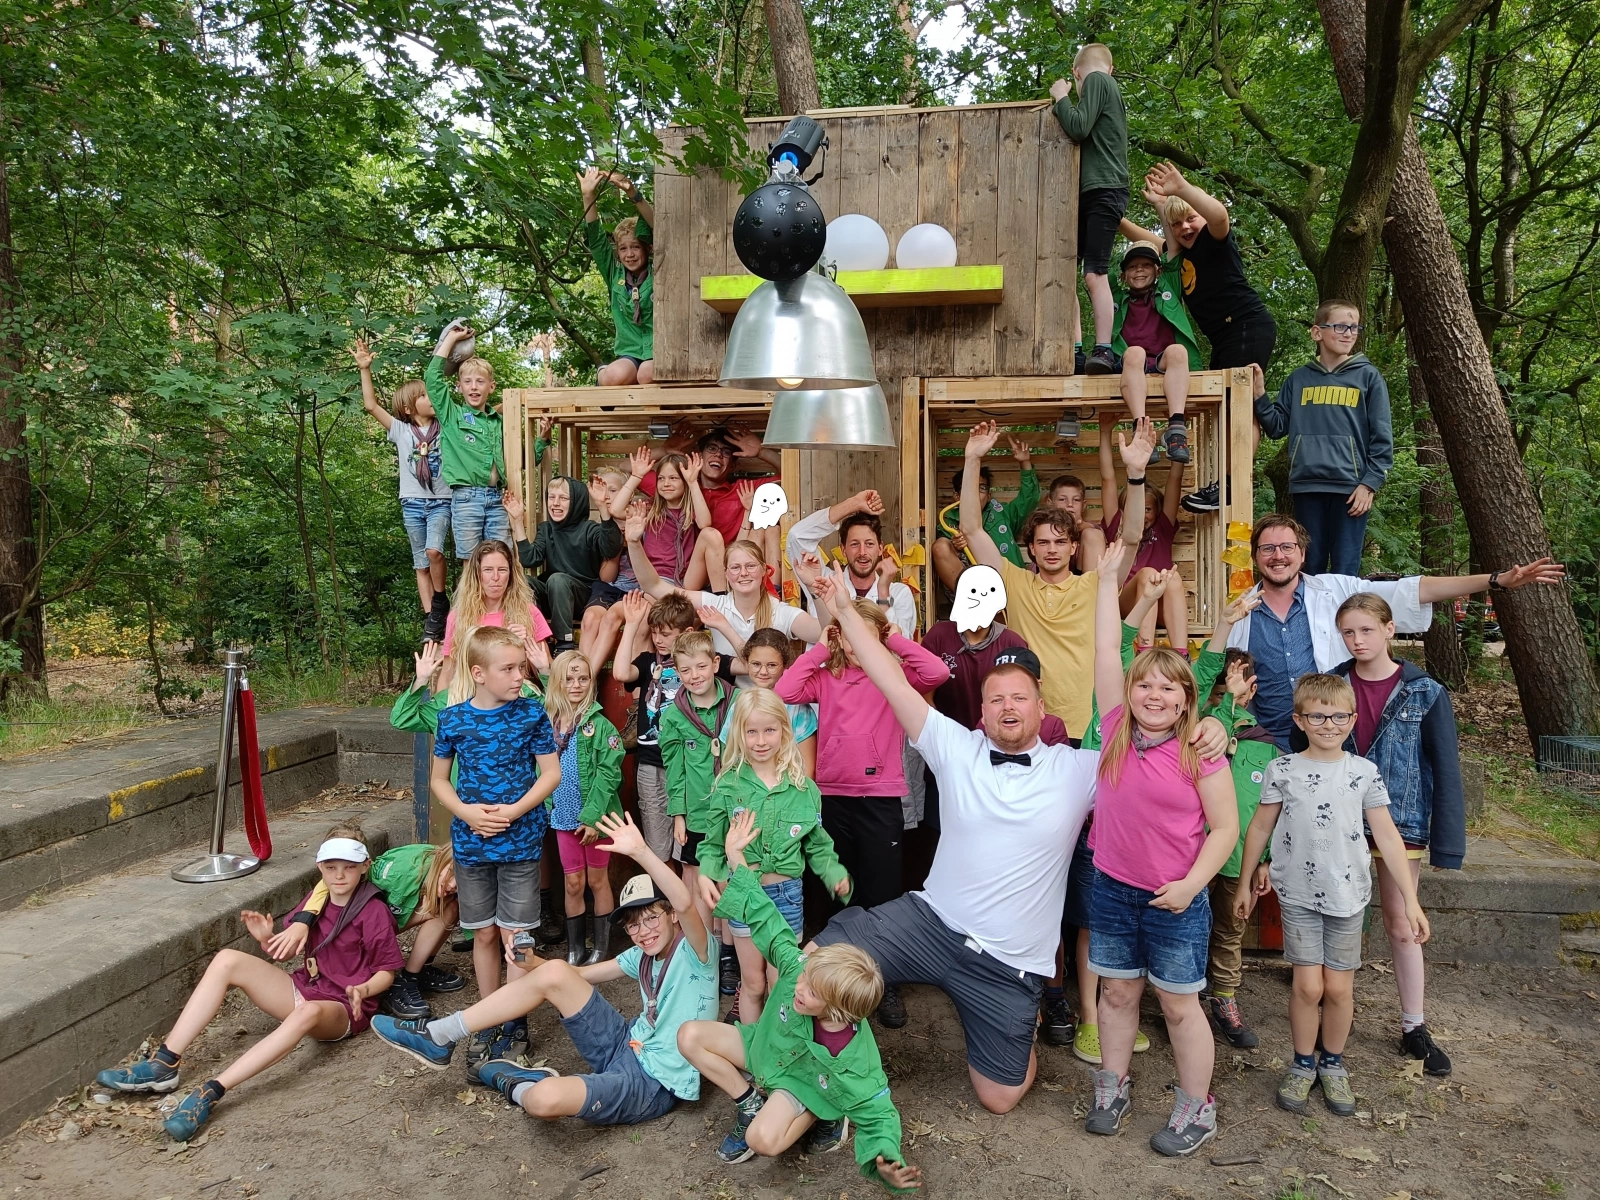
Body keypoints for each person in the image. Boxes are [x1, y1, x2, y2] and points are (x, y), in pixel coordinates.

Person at [803, 566, 1231, 1114]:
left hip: (1009, 962)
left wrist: (1215, 729)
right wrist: (842, 608)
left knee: (1001, 1097)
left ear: (1042, 708)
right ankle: (791, 1068)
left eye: (1020, 698)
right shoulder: (955, 748)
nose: (1008, 706)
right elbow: (890, 677)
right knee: (817, 959)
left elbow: (1154, 743)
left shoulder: (1083, 769)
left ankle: (1007, 1022)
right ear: (980, 713)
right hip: (933, 923)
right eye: (996, 699)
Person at [372, 811, 718, 1123]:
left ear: (670, 914)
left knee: (542, 1101)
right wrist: (533, 962)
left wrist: (641, 852)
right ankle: (439, 1035)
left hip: (649, 1082)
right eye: (633, 925)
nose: (644, 932)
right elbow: (574, 977)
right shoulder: (639, 956)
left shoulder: (696, 951)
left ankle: (515, 1082)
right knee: (554, 972)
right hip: (626, 1043)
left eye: (651, 918)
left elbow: (686, 901)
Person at [1083, 539, 1238, 1156]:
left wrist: (1192, 886)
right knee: (1116, 993)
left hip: (1177, 896)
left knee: (1178, 1006)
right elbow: (1104, 649)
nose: (1154, 697)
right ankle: (1112, 1086)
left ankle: (1198, 1107)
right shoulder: (1116, 727)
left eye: (1167, 691)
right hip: (1113, 887)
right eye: (1144, 685)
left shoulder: (1201, 752)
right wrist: (1105, 583)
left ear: (1185, 699)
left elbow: (1224, 830)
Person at [94, 831, 403, 1141]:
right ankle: (165, 1063)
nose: (339, 875)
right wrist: (266, 939)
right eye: (331, 866)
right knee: (228, 958)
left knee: (305, 1013)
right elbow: (287, 952)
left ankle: (212, 1091)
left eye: (348, 867)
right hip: (308, 987)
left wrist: (363, 989)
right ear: (319, 867)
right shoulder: (316, 899)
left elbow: (387, 971)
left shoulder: (372, 910)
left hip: (343, 1008)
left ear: (365, 866)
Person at [680, 811, 922, 1189]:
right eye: (804, 976)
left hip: (804, 1082)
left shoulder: (855, 1059)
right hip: (764, 1049)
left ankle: (823, 1109)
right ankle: (748, 1102)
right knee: (689, 1036)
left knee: (763, 1141)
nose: (798, 985)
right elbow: (767, 920)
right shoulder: (801, 971)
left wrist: (887, 1161)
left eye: (810, 991)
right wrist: (736, 859)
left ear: (838, 1010)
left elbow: (878, 1113)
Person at [1234, 673, 1430, 1117]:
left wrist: (1411, 900)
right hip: (1298, 893)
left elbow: (1387, 835)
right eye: (1317, 716)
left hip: (1348, 894)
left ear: (1352, 719)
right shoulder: (1283, 770)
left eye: (1338, 716)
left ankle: (1333, 1063)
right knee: (1307, 985)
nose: (1328, 723)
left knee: (1339, 988)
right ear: (1299, 719)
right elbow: (1261, 826)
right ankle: (1303, 1063)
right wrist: (1246, 880)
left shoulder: (1363, 773)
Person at [1226, 512, 1567, 748]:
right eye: (1268, 548)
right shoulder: (1239, 611)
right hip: (1267, 744)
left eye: (1287, 547)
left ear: (1301, 554)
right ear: (1256, 556)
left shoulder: (1335, 591)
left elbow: (1414, 590)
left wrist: (1496, 581)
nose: (1278, 556)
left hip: (1334, 739)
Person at [775, 598, 950, 1028]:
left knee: (883, 892)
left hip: (880, 796)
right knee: (839, 889)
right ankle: (836, 980)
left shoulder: (892, 674)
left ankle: (884, 980)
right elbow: (785, 691)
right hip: (834, 796)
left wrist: (890, 638)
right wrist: (822, 646)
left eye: (864, 636)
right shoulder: (829, 674)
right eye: (849, 636)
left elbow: (937, 673)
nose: (856, 645)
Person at [1327, 592, 1466, 1075]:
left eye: (1367, 629)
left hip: (1400, 819)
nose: (1357, 640)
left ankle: (1414, 1026)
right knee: (1334, 915)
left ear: (1390, 629)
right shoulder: (1333, 685)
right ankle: (1328, 1006)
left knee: (1401, 922)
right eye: (1348, 632)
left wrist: (1447, 843)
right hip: (1338, 820)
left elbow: (1445, 768)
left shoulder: (1424, 691)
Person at [959, 419, 1153, 738]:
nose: (1052, 550)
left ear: (1073, 547)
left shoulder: (1096, 584)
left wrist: (1135, 474)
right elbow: (972, 530)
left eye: (1061, 542)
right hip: (1034, 727)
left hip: (1088, 727)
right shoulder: (1014, 581)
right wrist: (972, 460)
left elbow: (1131, 538)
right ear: (1031, 549)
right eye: (1044, 542)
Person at [431, 625, 562, 1070]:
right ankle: (488, 1017)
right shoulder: (453, 719)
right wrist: (468, 814)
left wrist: (513, 811)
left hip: (521, 842)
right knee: (483, 932)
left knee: (516, 935)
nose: (518, 675)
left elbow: (550, 774)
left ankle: (515, 1019)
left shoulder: (531, 713)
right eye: (508, 668)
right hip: (471, 845)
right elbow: (438, 781)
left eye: (521, 667)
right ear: (478, 673)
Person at [696, 688, 852, 1024]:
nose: (761, 740)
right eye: (751, 731)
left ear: (785, 730)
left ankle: (779, 1051)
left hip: (786, 895)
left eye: (769, 730)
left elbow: (817, 843)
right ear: (740, 734)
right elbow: (712, 843)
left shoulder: (803, 788)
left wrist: (833, 872)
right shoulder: (728, 785)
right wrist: (706, 873)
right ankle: (753, 1057)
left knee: (780, 981)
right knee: (752, 983)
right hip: (745, 893)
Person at [1251, 306, 1393, 575]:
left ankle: (1344, 618)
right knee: (1309, 566)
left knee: (1345, 569)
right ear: (1317, 332)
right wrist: (1260, 394)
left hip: (1352, 489)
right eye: (1340, 326)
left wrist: (1370, 483)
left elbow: (1382, 435)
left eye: (1354, 328)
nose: (1349, 333)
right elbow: (1277, 426)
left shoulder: (1368, 376)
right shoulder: (1299, 378)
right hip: (1307, 485)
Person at [277, 825, 463, 1021]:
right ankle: (403, 982)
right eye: (450, 872)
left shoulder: (435, 869)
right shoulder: (399, 874)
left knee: (447, 907)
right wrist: (304, 919)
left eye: (462, 880)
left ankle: (419, 971)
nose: (452, 884)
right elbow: (379, 926)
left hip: (375, 921)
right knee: (438, 909)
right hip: (360, 926)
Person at [1122, 162, 1278, 374]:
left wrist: (1182, 189)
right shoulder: (1183, 253)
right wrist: (1114, 218)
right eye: (1176, 224)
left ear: (1203, 217)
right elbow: (1147, 241)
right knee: (1223, 401)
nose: (1184, 226)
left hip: (1246, 326)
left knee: (1237, 395)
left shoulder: (1213, 240)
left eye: (1191, 218)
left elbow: (1220, 216)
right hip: (1221, 337)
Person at [614, 591, 730, 860]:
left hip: (692, 765)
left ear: (686, 632)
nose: (658, 639)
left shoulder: (702, 662)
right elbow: (621, 673)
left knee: (687, 846)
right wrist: (631, 625)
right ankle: (667, 900)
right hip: (652, 761)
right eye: (654, 632)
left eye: (665, 633)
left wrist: (723, 626)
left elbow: (748, 664)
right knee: (658, 845)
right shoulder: (647, 661)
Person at [353, 338, 452, 641]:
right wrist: (365, 369)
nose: (430, 396)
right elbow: (370, 405)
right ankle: (431, 621)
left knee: (434, 551)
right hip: (411, 502)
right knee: (420, 563)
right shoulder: (400, 430)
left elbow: (476, 414)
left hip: (440, 501)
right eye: (424, 395)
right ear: (409, 408)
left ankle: (439, 601)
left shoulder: (446, 425)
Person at [659, 628, 740, 985]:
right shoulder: (674, 716)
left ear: (716, 664)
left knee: (730, 882)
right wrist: (678, 814)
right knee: (699, 884)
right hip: (697, 814)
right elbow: (673, 769)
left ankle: (731, 953)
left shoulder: (737, 703)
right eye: (685, 671)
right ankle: (706, 951)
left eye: (701, 667)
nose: (694, 677)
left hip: (734, 812)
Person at [627, 518, 822, 664]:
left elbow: (822, 632)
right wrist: (634, 544)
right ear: (726, 574)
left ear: (764, 570)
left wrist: (815, 587)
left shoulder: (780, 611)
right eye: (736, 568)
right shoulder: (715, 605)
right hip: (728, 707)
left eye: (751, 566)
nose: (743, 573)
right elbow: (654, 586)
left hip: (769, 707)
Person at [1049, 43, 1129, 376]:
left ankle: (1104, 350)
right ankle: (1077, 350)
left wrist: (1060, 97)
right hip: (1092, 192)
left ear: (1077, 73)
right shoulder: (1107, 85)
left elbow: (1079, 126)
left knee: (1094, 272)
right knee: (1069, 273)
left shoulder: (1097, 81)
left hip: (1105, 189)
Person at [541, 650, 624, 967]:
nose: (576, 684)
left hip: (596, 819)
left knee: (597, 880)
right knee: (573, 881)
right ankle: (575, 948)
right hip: (563, 819)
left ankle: (602, 947)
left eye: (583, 678)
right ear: (558, 682)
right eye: (569, 678)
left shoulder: (600, 726)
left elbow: (609, 772)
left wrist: (593, 818)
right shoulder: (547, 723)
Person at [508, 474, 624, 653]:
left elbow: (611, 548)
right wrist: (517, 521)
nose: (555, 503)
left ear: (576, 502)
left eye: (563, 498)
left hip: (581, 597)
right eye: (551, 497)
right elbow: (530, 559)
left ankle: (563, 643)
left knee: (558, 580)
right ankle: (534, 636)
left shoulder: (589, 529)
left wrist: (602, 506)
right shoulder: (546, 529)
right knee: (523, 580)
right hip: (554, 596)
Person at [427, 320, 511, 559]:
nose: (474, 387)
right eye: (467, 382)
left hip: (497, 498)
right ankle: (469, 599)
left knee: (501, 560)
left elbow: (521, 459)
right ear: (459, 386)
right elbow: (432, 380)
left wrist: (543, 439)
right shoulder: (452, 415)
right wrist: (451, 340)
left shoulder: (499, 421)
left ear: (491, 387)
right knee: (471, 562)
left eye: (480, 382)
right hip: (467, 499)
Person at [1100, 423, 1188, 651]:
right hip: (1126, 605)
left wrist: (1178, 427)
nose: (1142, 514)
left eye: (1148, 509)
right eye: (1136, 507)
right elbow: (1107, 478)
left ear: (1156, 512)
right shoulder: (1116, 526)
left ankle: (1182, 655)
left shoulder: (1163, 528)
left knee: (1172, 578)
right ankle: (1144, 651)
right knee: (1149, 575)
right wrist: (1104, 430)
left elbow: (1175, 480)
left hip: (1160, 608)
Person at [1112, 241, 1198, 463]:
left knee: (1178, 351)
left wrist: (1161, 205)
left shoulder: (1168, 287)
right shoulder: (1115, 297)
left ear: (1158, 271)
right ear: (1123, 276)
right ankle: (1140, 430)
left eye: (1146, 265)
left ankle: (1176, 428)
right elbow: (1098, 270)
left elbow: (1174, 254)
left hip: (1162, 362)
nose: (1139, 270)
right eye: (1132, 267)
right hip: (1132, 363)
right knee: (1135, 353)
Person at [788, 491, 919, 635]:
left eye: (869, 544)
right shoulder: (825, 582)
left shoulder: (899, 593)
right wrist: (854, 504)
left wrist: (883, 595)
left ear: (880, 548)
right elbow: (797, 536)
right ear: (843, 550)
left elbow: (901, 646)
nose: (862, 552)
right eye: (855, 544)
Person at [435, 539, 553, 692]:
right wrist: (439, 711)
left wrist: (526, 644)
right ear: (477, 574)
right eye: (488, 570)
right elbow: (448, 673)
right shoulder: (459, 616)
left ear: (511, 575)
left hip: (517, 696)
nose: (495, 577)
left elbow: (546, 669)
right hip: (472, 696)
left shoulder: (529, 612)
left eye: (502, 570)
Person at [705, 623, 820, 778]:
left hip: (788, 793)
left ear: (785, 665)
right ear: (747, 663)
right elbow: (730, 758)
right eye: (756, 664)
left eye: (772, 665)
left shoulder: (798, 709)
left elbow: (807, 769)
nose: (763, 672)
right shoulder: (739, 705)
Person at [580, 167, 657, 386]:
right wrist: (588, 196)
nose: (630, 254)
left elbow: (658, 226)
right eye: (623, 249)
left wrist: (633, 193)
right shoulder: (614, 273)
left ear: (648, 249)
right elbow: (596, 240)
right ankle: (602, 375)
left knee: (647, 374)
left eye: (636, 247)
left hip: (657, 351)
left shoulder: (660, 268)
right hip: (630, 351)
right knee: (614, 377)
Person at [611, 446, 726, 589]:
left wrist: (692, 483)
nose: (666, 484)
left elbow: (704, 524)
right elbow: (616, 510)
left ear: (684, 481)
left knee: (710, 534)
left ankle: (721, 598)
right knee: (621, 609)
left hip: (688, 578)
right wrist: (636, 476)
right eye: (661, 478)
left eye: (673, 478)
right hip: (656, 578)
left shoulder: (692, 508)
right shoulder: (650, 508)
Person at [932, 439, 1039, 593]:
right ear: (957, 496)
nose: (975, 493)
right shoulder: (948, 522)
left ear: (989, 495)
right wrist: (956, 547)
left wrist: (1025, 462)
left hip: (1014, 589)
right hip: (978, 593)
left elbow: (1029, 498)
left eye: (981, 488)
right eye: (969, 488)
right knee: (941, 545)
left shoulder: (1003, 512)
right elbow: (947, 557)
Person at [1046, 474, 1107, 572]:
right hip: (1050, 577)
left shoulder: (1088, 528)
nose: (1070, 504)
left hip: (1081, 579)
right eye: (1062, 499)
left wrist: (1078, 524)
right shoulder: (1042, 526)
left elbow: (1087, 527)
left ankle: (1092, 585)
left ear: (1083, 505)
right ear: (1050, 503)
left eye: (1076, 500)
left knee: (1092, 534)